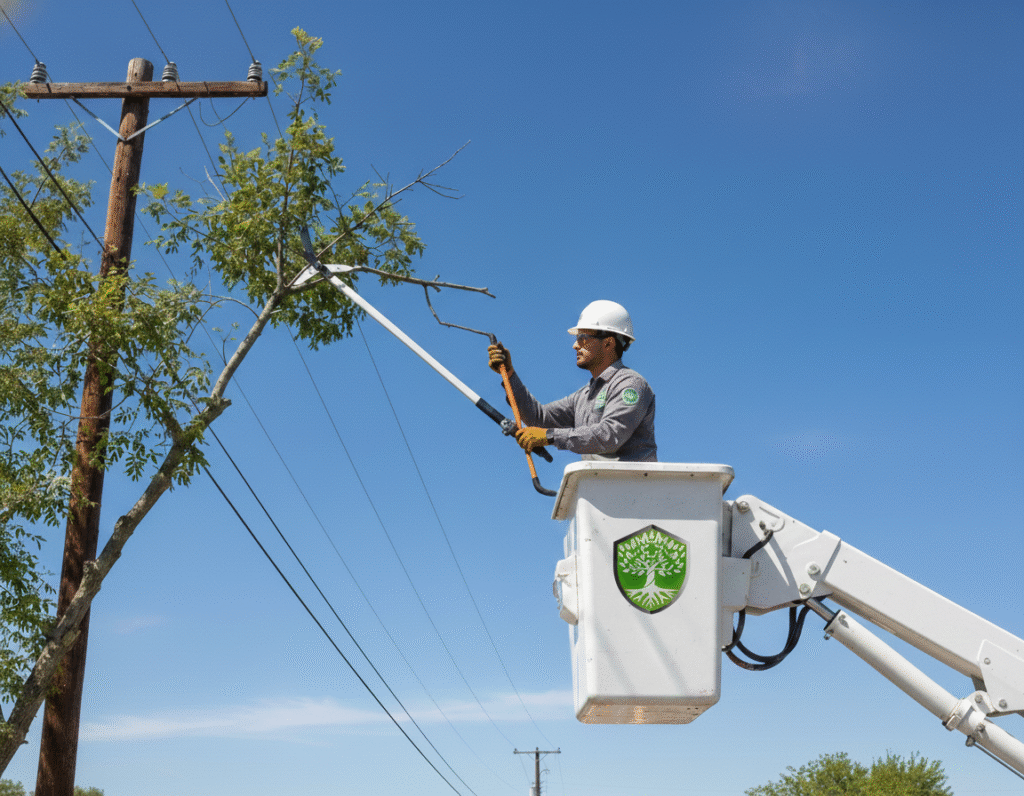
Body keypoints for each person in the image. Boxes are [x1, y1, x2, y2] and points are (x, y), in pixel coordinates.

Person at [487, 300, 657, 462]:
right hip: (599, 485)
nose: (575, 345)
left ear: (608, 343)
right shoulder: (584, 396)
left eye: (583, 338)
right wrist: (509, 374)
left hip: (634, 487)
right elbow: (538, 418)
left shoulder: (631, 384)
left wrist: (549, 436)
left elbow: (609, 435)